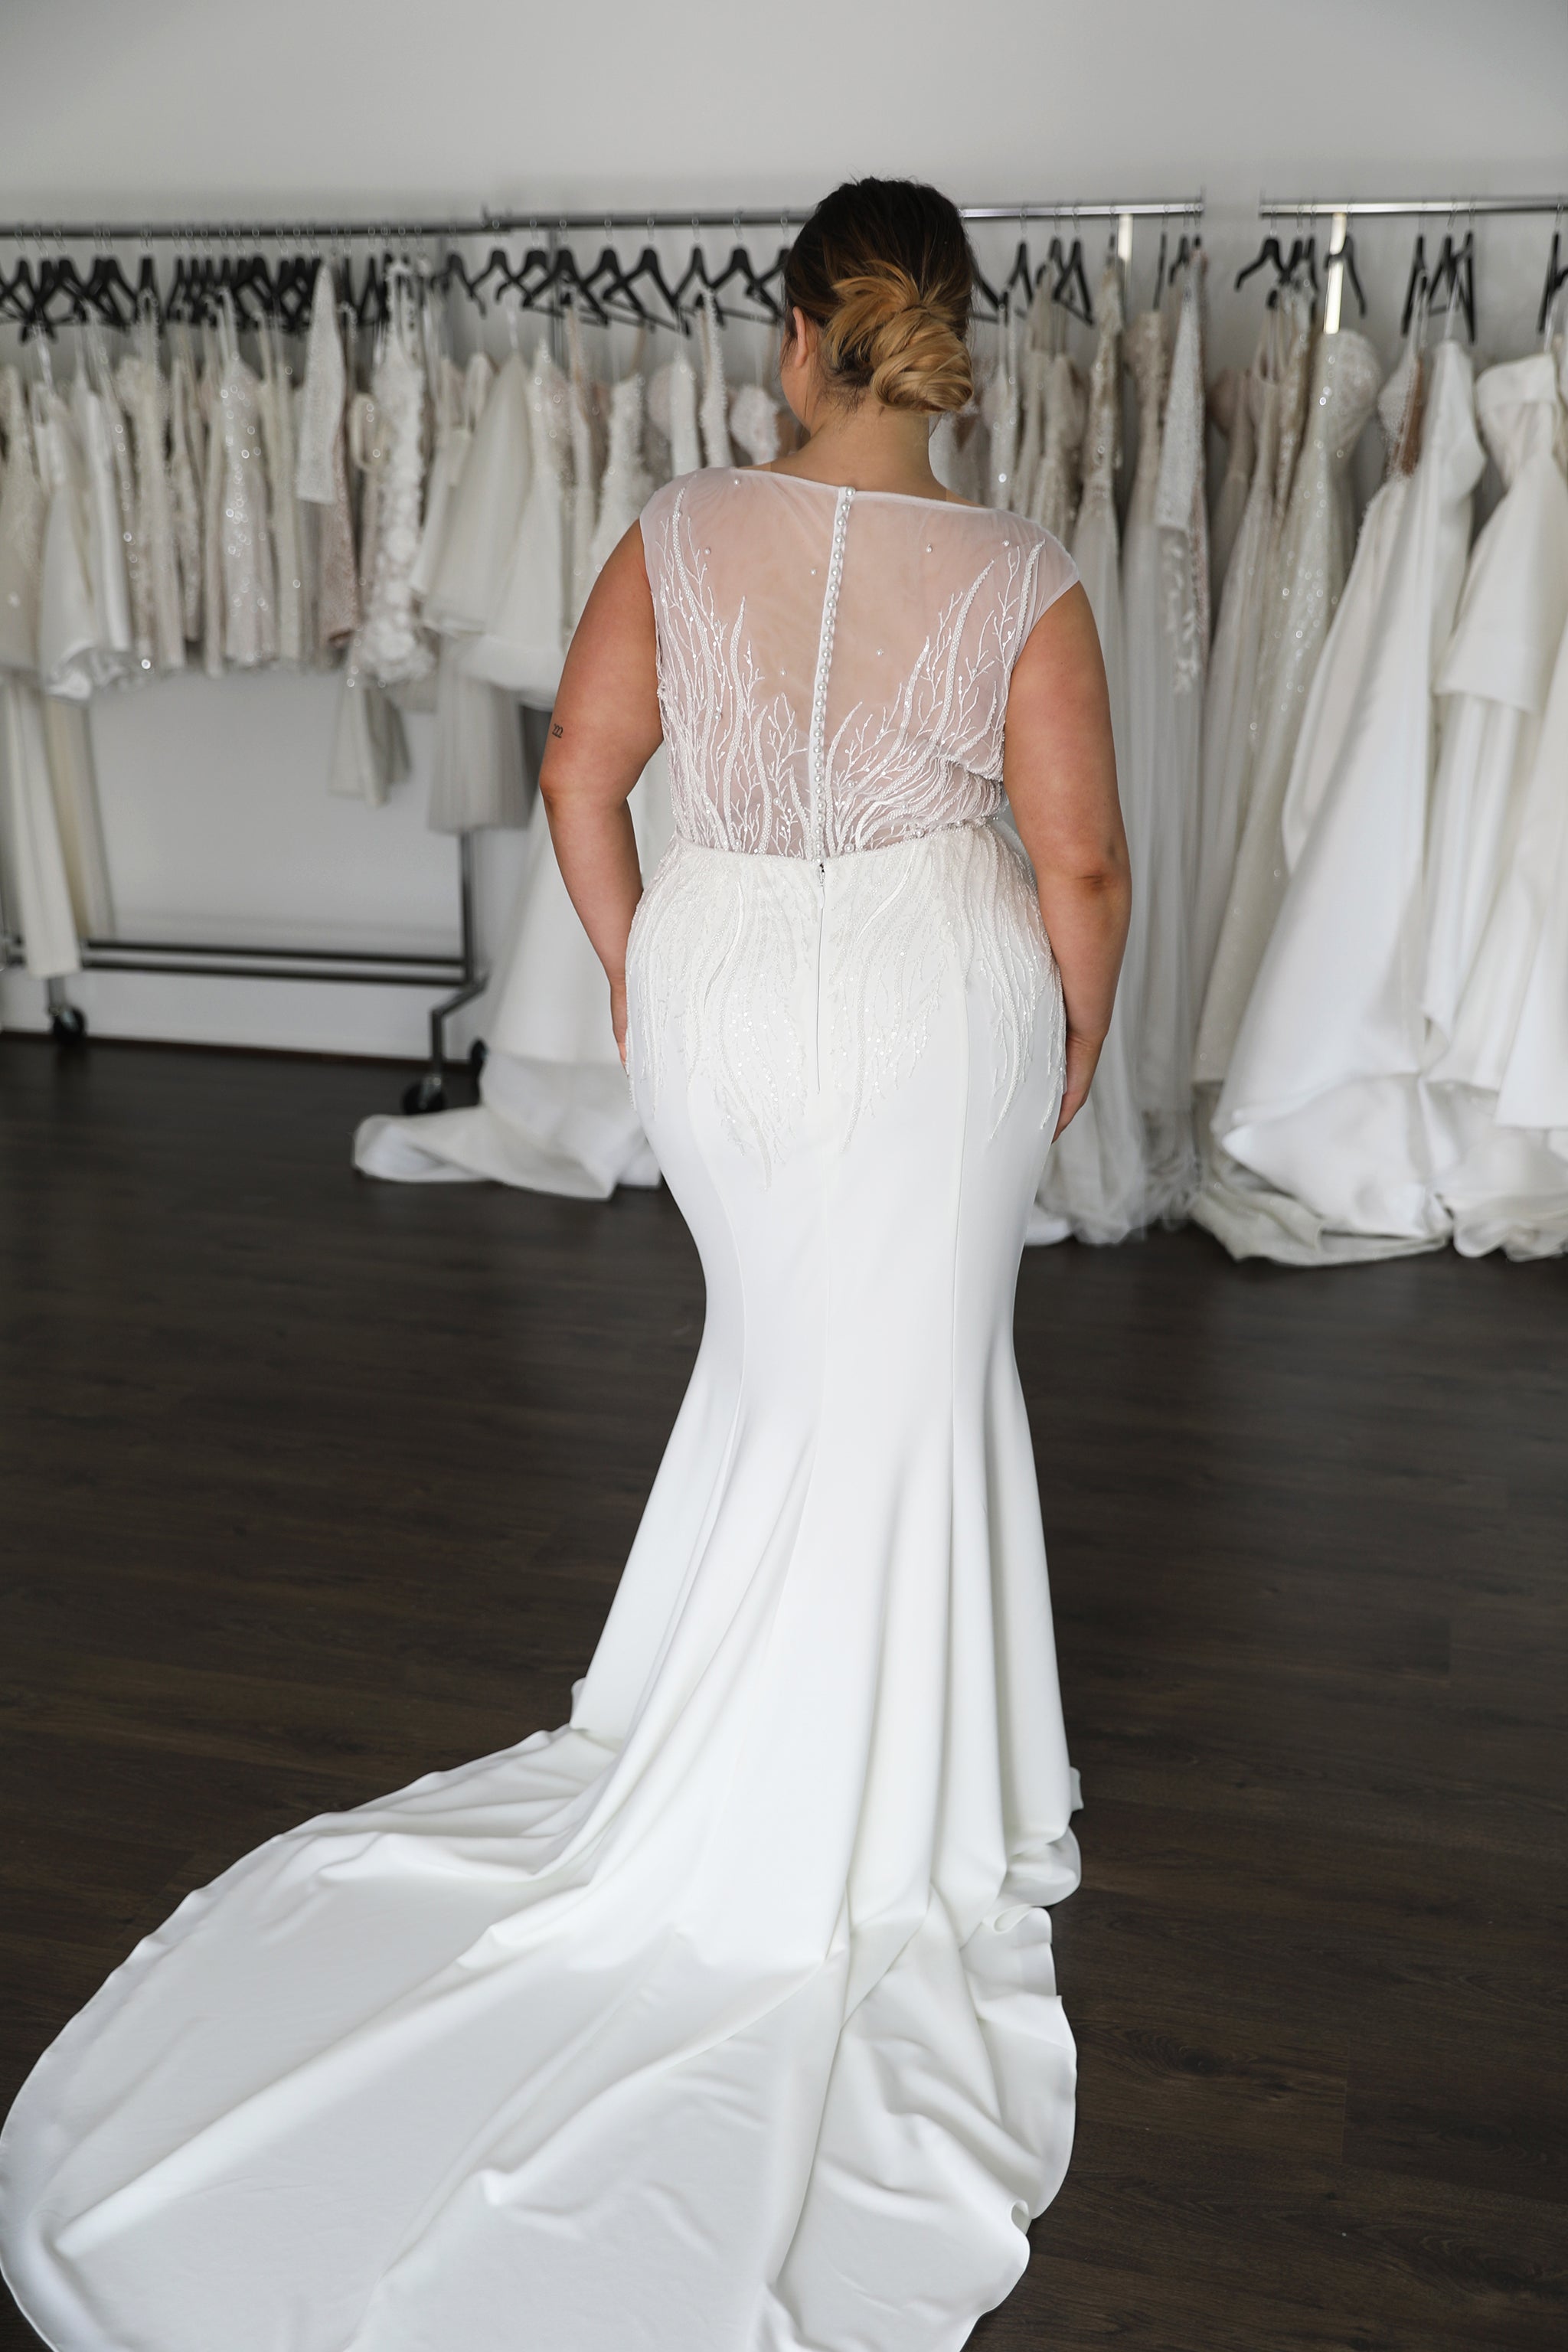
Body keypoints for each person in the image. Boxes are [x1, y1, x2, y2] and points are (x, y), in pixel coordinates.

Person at [0, 179, 1127, 2352]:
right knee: (899, 1371)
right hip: (929, 1007)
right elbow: (1076, 857)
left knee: (794, 1365)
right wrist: (1072, 1031)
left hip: (725, 999)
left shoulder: (677, 529)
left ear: (800, 331)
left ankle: (855, 1743)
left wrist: (643, 982)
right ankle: (898, 1788)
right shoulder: (1019, 571)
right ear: (940, 332)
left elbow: (584, 777)